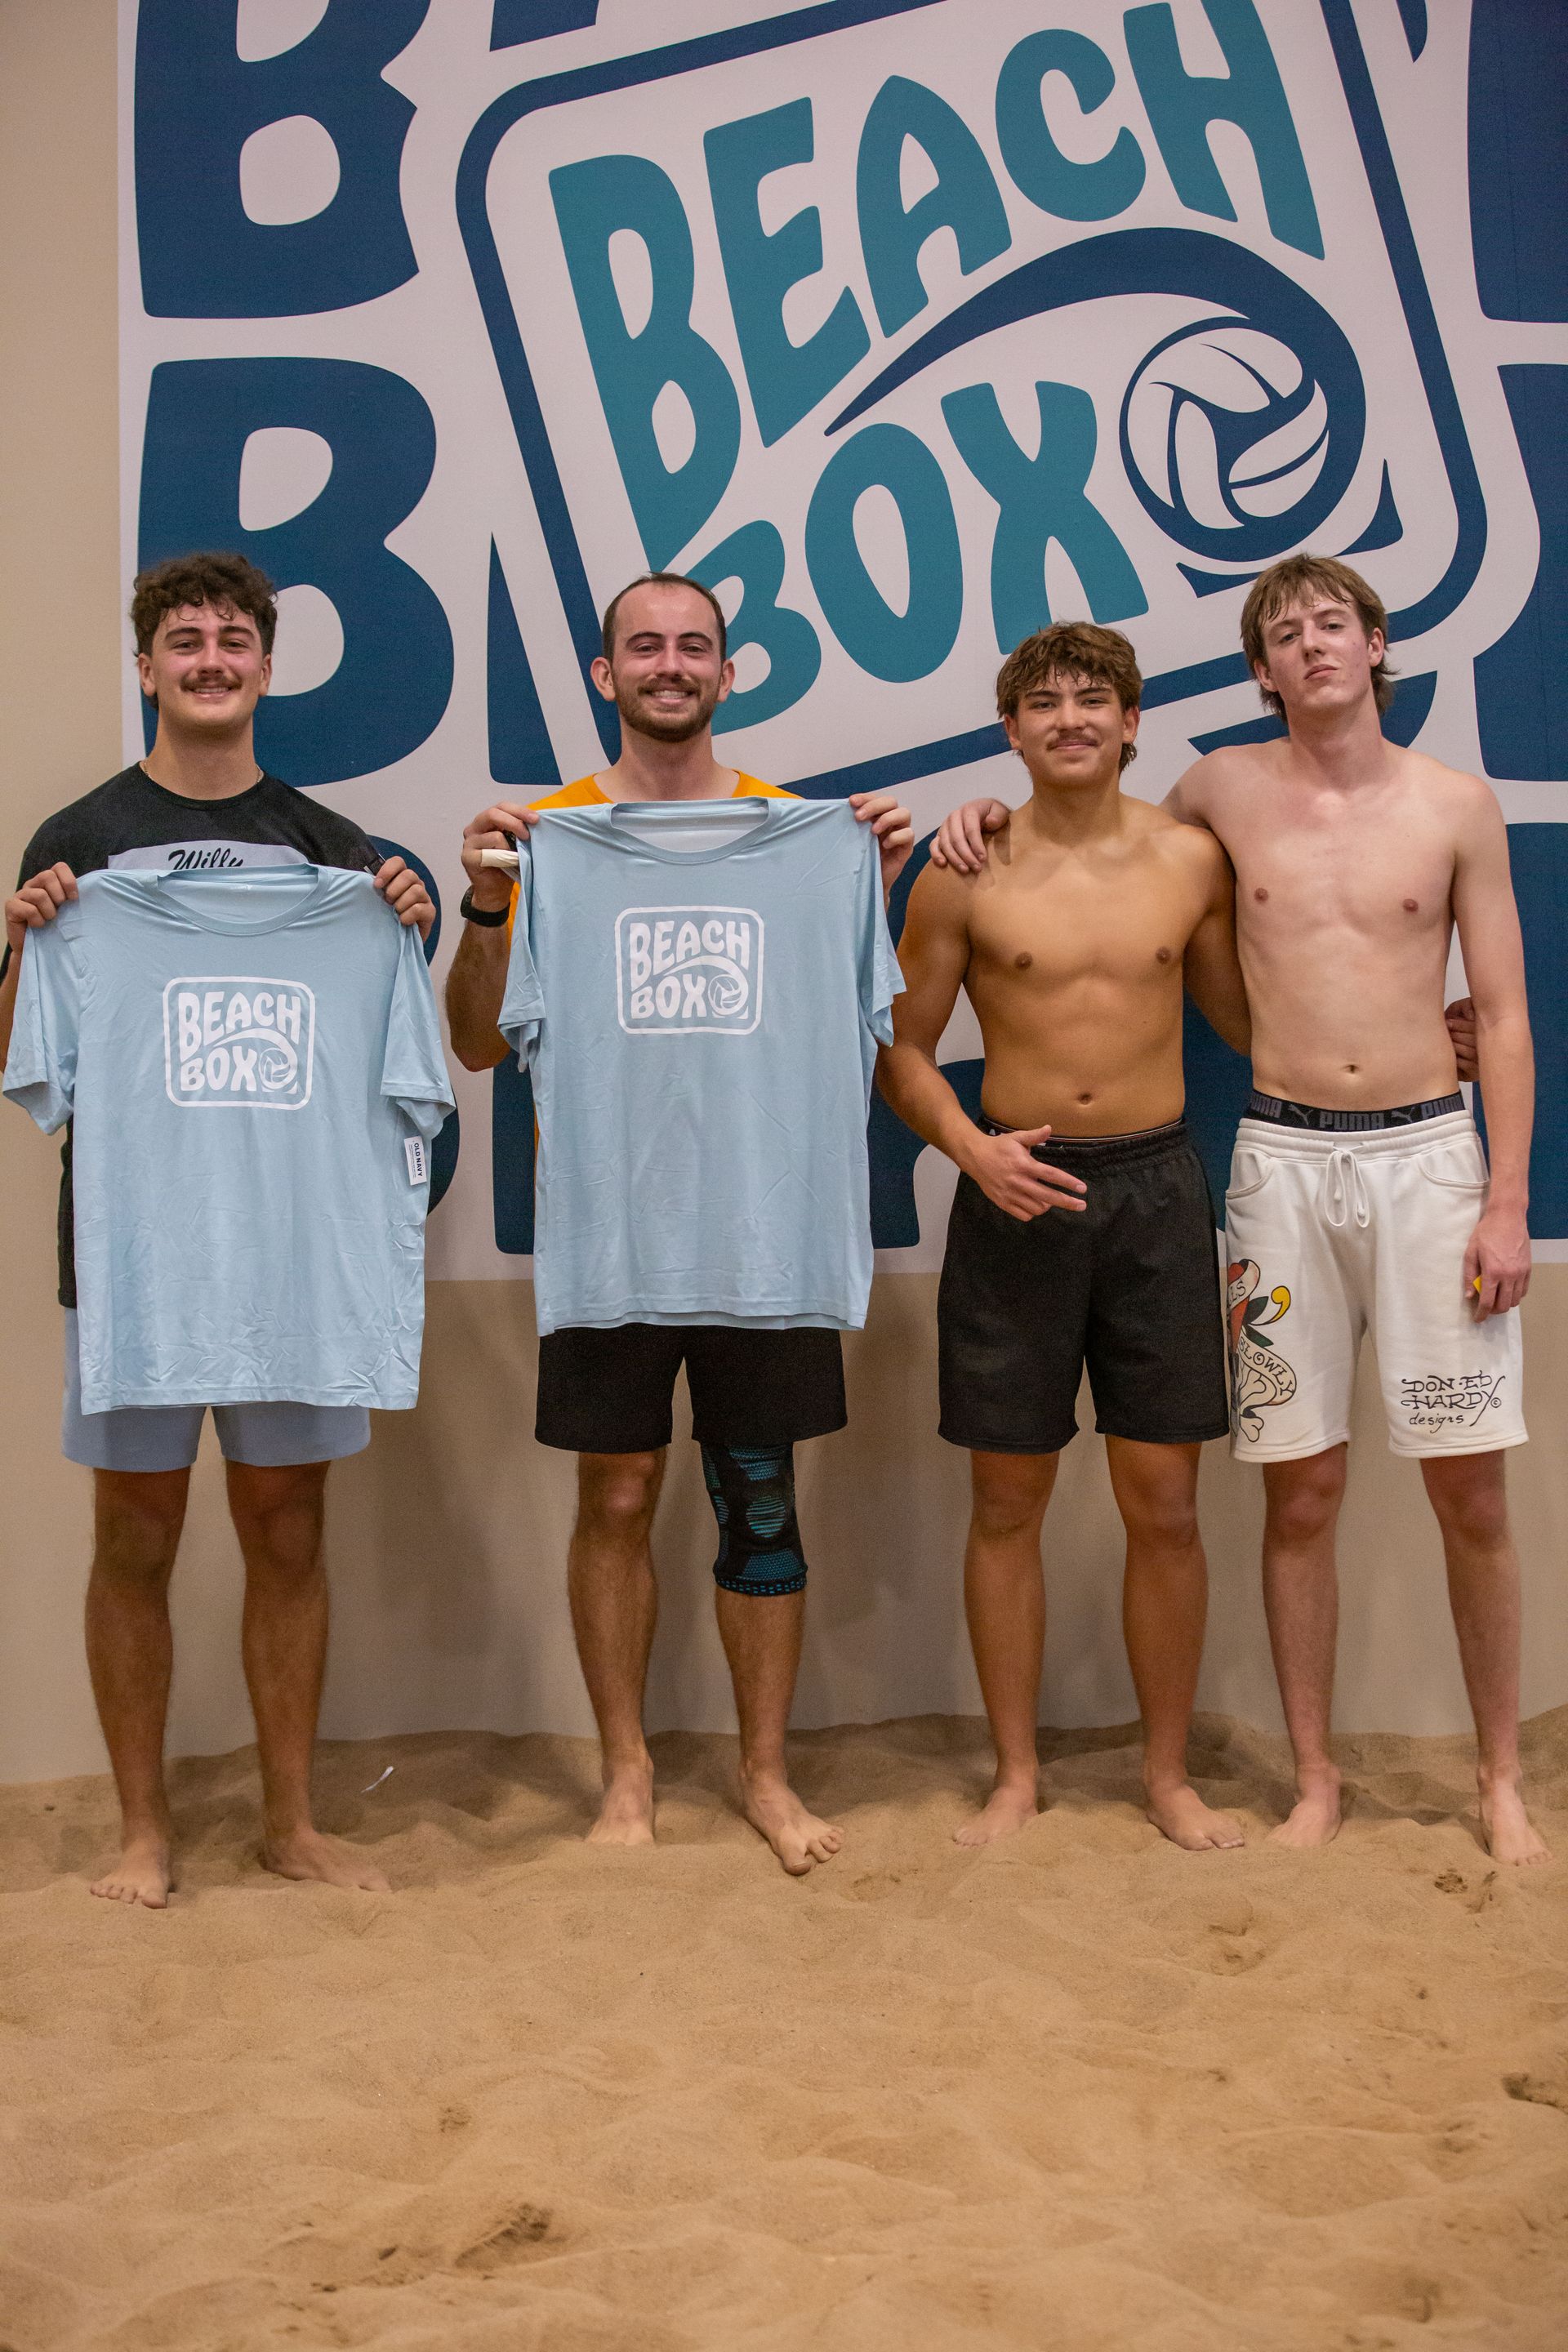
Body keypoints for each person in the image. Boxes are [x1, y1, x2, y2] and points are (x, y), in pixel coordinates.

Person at [931, 557, 1547, 1864]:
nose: (1312, 645)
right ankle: (1308, 1780)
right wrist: (981, 814)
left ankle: (1499, 1780)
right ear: (1260, 669)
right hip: (1273, 1170)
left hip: (1417, 1159)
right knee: (1297, 1495)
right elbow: (1083, 847)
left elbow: (1497, 1014)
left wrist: (1506, 1196)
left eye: (1333, 623)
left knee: (1474, 1499)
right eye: (1285, 633)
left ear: (1375, 643)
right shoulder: (1213, 796)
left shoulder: (1451, 803)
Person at [446, 571, 912, 1875]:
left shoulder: (807, 836)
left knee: (760, 1499)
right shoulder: (548, 838)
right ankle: (629, 1770)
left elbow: (871, 1013)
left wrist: (867, 881)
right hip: (612, 1241)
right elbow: (475, 1042)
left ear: (726, 670)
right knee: (616, 1494)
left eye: (692, 645)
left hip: (766, 1236)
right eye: (644, 646)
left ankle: (765, 1773)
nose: (670, 664)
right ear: (607, 675)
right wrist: (485, 902)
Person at [0, 552, 434, 1907]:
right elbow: (22, 1059)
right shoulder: (76, 843)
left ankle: (290, 1822)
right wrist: (23, 943)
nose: (209, 659)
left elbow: (409, 1063)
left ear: (266, 666)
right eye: (183, 640)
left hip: (295, 1266)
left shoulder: (337, 855)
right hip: (134, 1259)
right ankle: (143, 1832)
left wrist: (408, 927)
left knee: (288, 1534)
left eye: (232, 639)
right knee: (133, 1536)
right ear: (146, 668)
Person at [879, 622, 1250, 1849]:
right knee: (1005, 1501)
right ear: (1012, 730)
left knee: (1167, 1504)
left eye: (1095, 699)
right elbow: (900, 1051)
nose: (1071, 718)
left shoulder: (1191, 860)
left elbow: (1257, 1023)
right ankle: (1016, 1775)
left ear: (1134, 721)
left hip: (1155, 1193)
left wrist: (1416, 1039)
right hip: (1013, 1191)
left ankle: (1167, 1776)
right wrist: (970, 1149)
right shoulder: (961, 869)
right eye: (1044, 702)